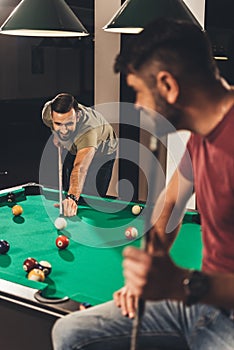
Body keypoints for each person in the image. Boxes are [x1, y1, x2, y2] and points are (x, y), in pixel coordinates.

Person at [51, 19, 234, 349]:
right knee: (69, 334)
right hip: (198, 306)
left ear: (167, 85)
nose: (136, 105)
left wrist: (183, 284)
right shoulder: (204, 135)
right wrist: (152, 270)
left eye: (138, 91)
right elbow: (171, 201)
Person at [42, 93, 118, 217]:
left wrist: (72, 198)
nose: (64, 130)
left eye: (69, 124)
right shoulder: (47, 112)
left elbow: (80, 169)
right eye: (58, 124)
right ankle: (69, 205)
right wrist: (57, 136)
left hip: (103, 154)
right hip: (76, 146)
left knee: (92, 199)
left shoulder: (88, 131)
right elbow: (56, 127)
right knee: (69, 186)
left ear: (77, 117)